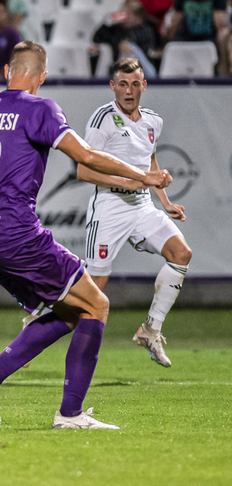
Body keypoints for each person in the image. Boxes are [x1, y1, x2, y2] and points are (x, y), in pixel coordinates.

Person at [0, 41, 172, 429]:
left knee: (71, 311)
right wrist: (144, 176)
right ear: (41, 77)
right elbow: (85, 156)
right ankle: (68, 413)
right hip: (21, 235)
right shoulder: (40, 108)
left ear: (7, 72)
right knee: (97, 305)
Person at [76, 58, 192, 367]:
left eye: (135, 84)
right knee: (91, 292)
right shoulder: (103, 118)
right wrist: (132, 181)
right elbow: (84, 171)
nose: (129, 91)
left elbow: (149, 162)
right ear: (112, 86)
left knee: (181, 254)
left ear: (144, 86)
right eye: (123, 84)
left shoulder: (153, 121)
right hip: (110, 207)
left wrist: (164, 201)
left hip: (142, 206)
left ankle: (150, 330)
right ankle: (38, 322)